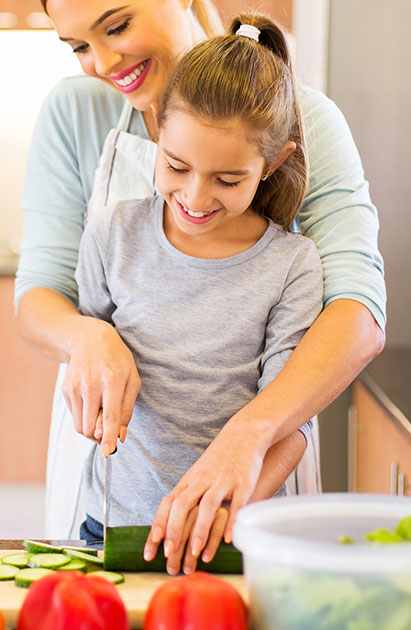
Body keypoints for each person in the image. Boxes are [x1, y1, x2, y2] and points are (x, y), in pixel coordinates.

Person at [15, 0, 387, 572]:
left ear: (270, 164)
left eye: (117, 26)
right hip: (114, 499)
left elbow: (357, 312)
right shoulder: (78, 124)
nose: (103, 62)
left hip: (250, 492)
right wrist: (86, 336)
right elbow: (41, 292)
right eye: (79, 46)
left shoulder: (304, 133)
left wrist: (250, 438)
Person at [74, 14, 323, 575]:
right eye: (176, 166)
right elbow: (88, 348)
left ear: (272, 163)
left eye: (227, 180)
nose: (194, 196)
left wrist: (224, 510)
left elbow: (292, 423)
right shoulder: (113, 234)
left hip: (233, 534)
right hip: (111, 525)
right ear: (158, 133)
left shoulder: (291, 266)